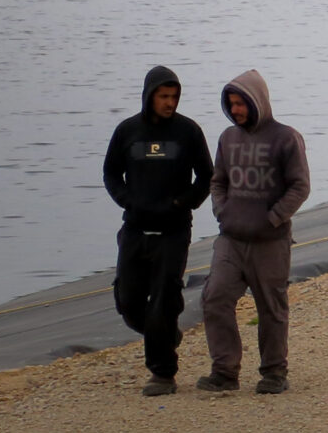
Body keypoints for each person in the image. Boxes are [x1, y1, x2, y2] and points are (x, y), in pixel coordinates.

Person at [102, 65, 212, 396]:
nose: (169, 102)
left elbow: (206, 177)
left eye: (174, 97)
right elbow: (110, 173)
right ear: (149, 96)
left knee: (163, 300)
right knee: (131, 302)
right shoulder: (127, 131)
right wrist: (126, 201)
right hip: (135, 228)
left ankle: (162, 374)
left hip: (173, 230)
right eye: (164, 96)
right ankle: (165, 334)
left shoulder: (188, 132)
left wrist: (183, 203)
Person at [199, 70, 309, 396]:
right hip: (231, 239)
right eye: (231, 104)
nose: (236, 110)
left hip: (270, 242)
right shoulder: (227, 139)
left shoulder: (286, 138)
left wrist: (274, 218)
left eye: (240, 103)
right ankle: (224, 371)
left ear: (256, 101)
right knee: (214, 299)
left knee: (271, 309)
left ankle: (274, 373)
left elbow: (300, 186)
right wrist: (222, 210)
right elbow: (218, 181)